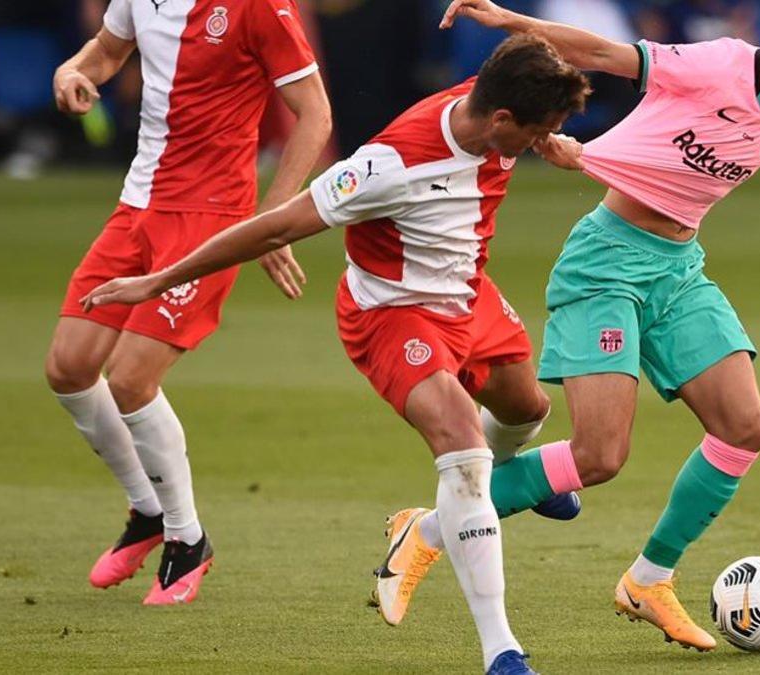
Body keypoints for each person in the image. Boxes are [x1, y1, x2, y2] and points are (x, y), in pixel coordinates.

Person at [79, 34, 591, 675]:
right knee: (463, 446)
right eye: (539, 131)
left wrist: (549, 139)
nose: (541, 143)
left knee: (527, 410)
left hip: (466, 290)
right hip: (392, 312)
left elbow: (529, 72)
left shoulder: (496, 104)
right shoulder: (388, 166)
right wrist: (155, 282)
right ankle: (502, 651)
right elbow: (277, 225)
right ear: (500, 121)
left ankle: (445, 518)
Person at [427, 0, 760, 652]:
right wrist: (511, 20)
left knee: (745, 426)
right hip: (608, 260)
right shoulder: (716, 67)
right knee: (599, 454)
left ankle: (649, 579)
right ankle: (432, 526)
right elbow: (601, 54)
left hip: (678, 267)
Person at [43, 0, 331, 605]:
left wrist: (274, 219)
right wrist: (74, 71)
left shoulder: (257, 7)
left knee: (129, 378)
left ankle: (186, 538)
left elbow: (315, 115)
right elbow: (108, 50)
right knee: (69, 368)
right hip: (138, 207)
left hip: (209, 218)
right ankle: (148, 511)